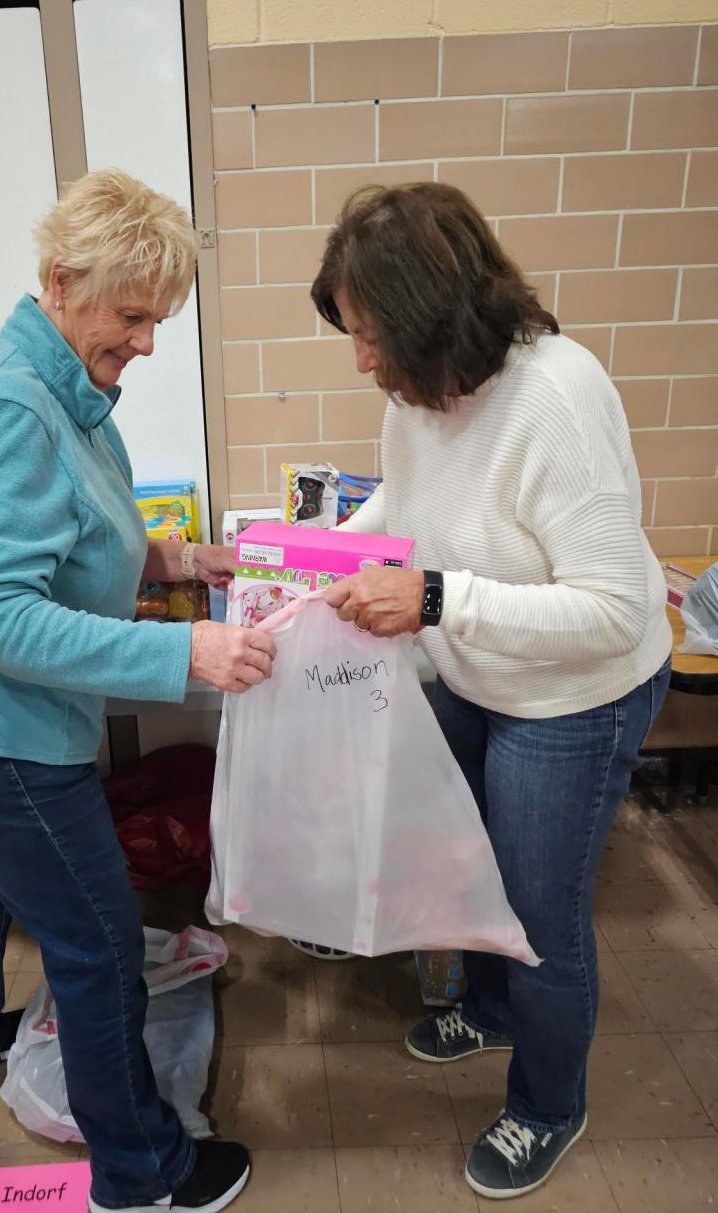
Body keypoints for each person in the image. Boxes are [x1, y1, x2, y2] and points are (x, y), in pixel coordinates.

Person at [0, 169, 275, 1213]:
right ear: (61, 280)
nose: (147, 341)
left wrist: (177, 563)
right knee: (98, 937)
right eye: (133, 315)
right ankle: (143, 1172)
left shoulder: (65, 382)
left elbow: (78, 530)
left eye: (158, 319)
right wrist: (184, 657)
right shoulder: (9, 403)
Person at [313, 182, 672, 1201]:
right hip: (477, 662)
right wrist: (303, 559)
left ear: (432, 314)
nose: (362, 358)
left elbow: (609, 609)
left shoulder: (556, 395)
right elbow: (406, 498)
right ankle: (494, 1007)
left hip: (574, 697)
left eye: (372, 332)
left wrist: (432, 594)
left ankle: (549, 1102)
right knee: (467, 858)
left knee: (539, 910)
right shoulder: (418, 391)